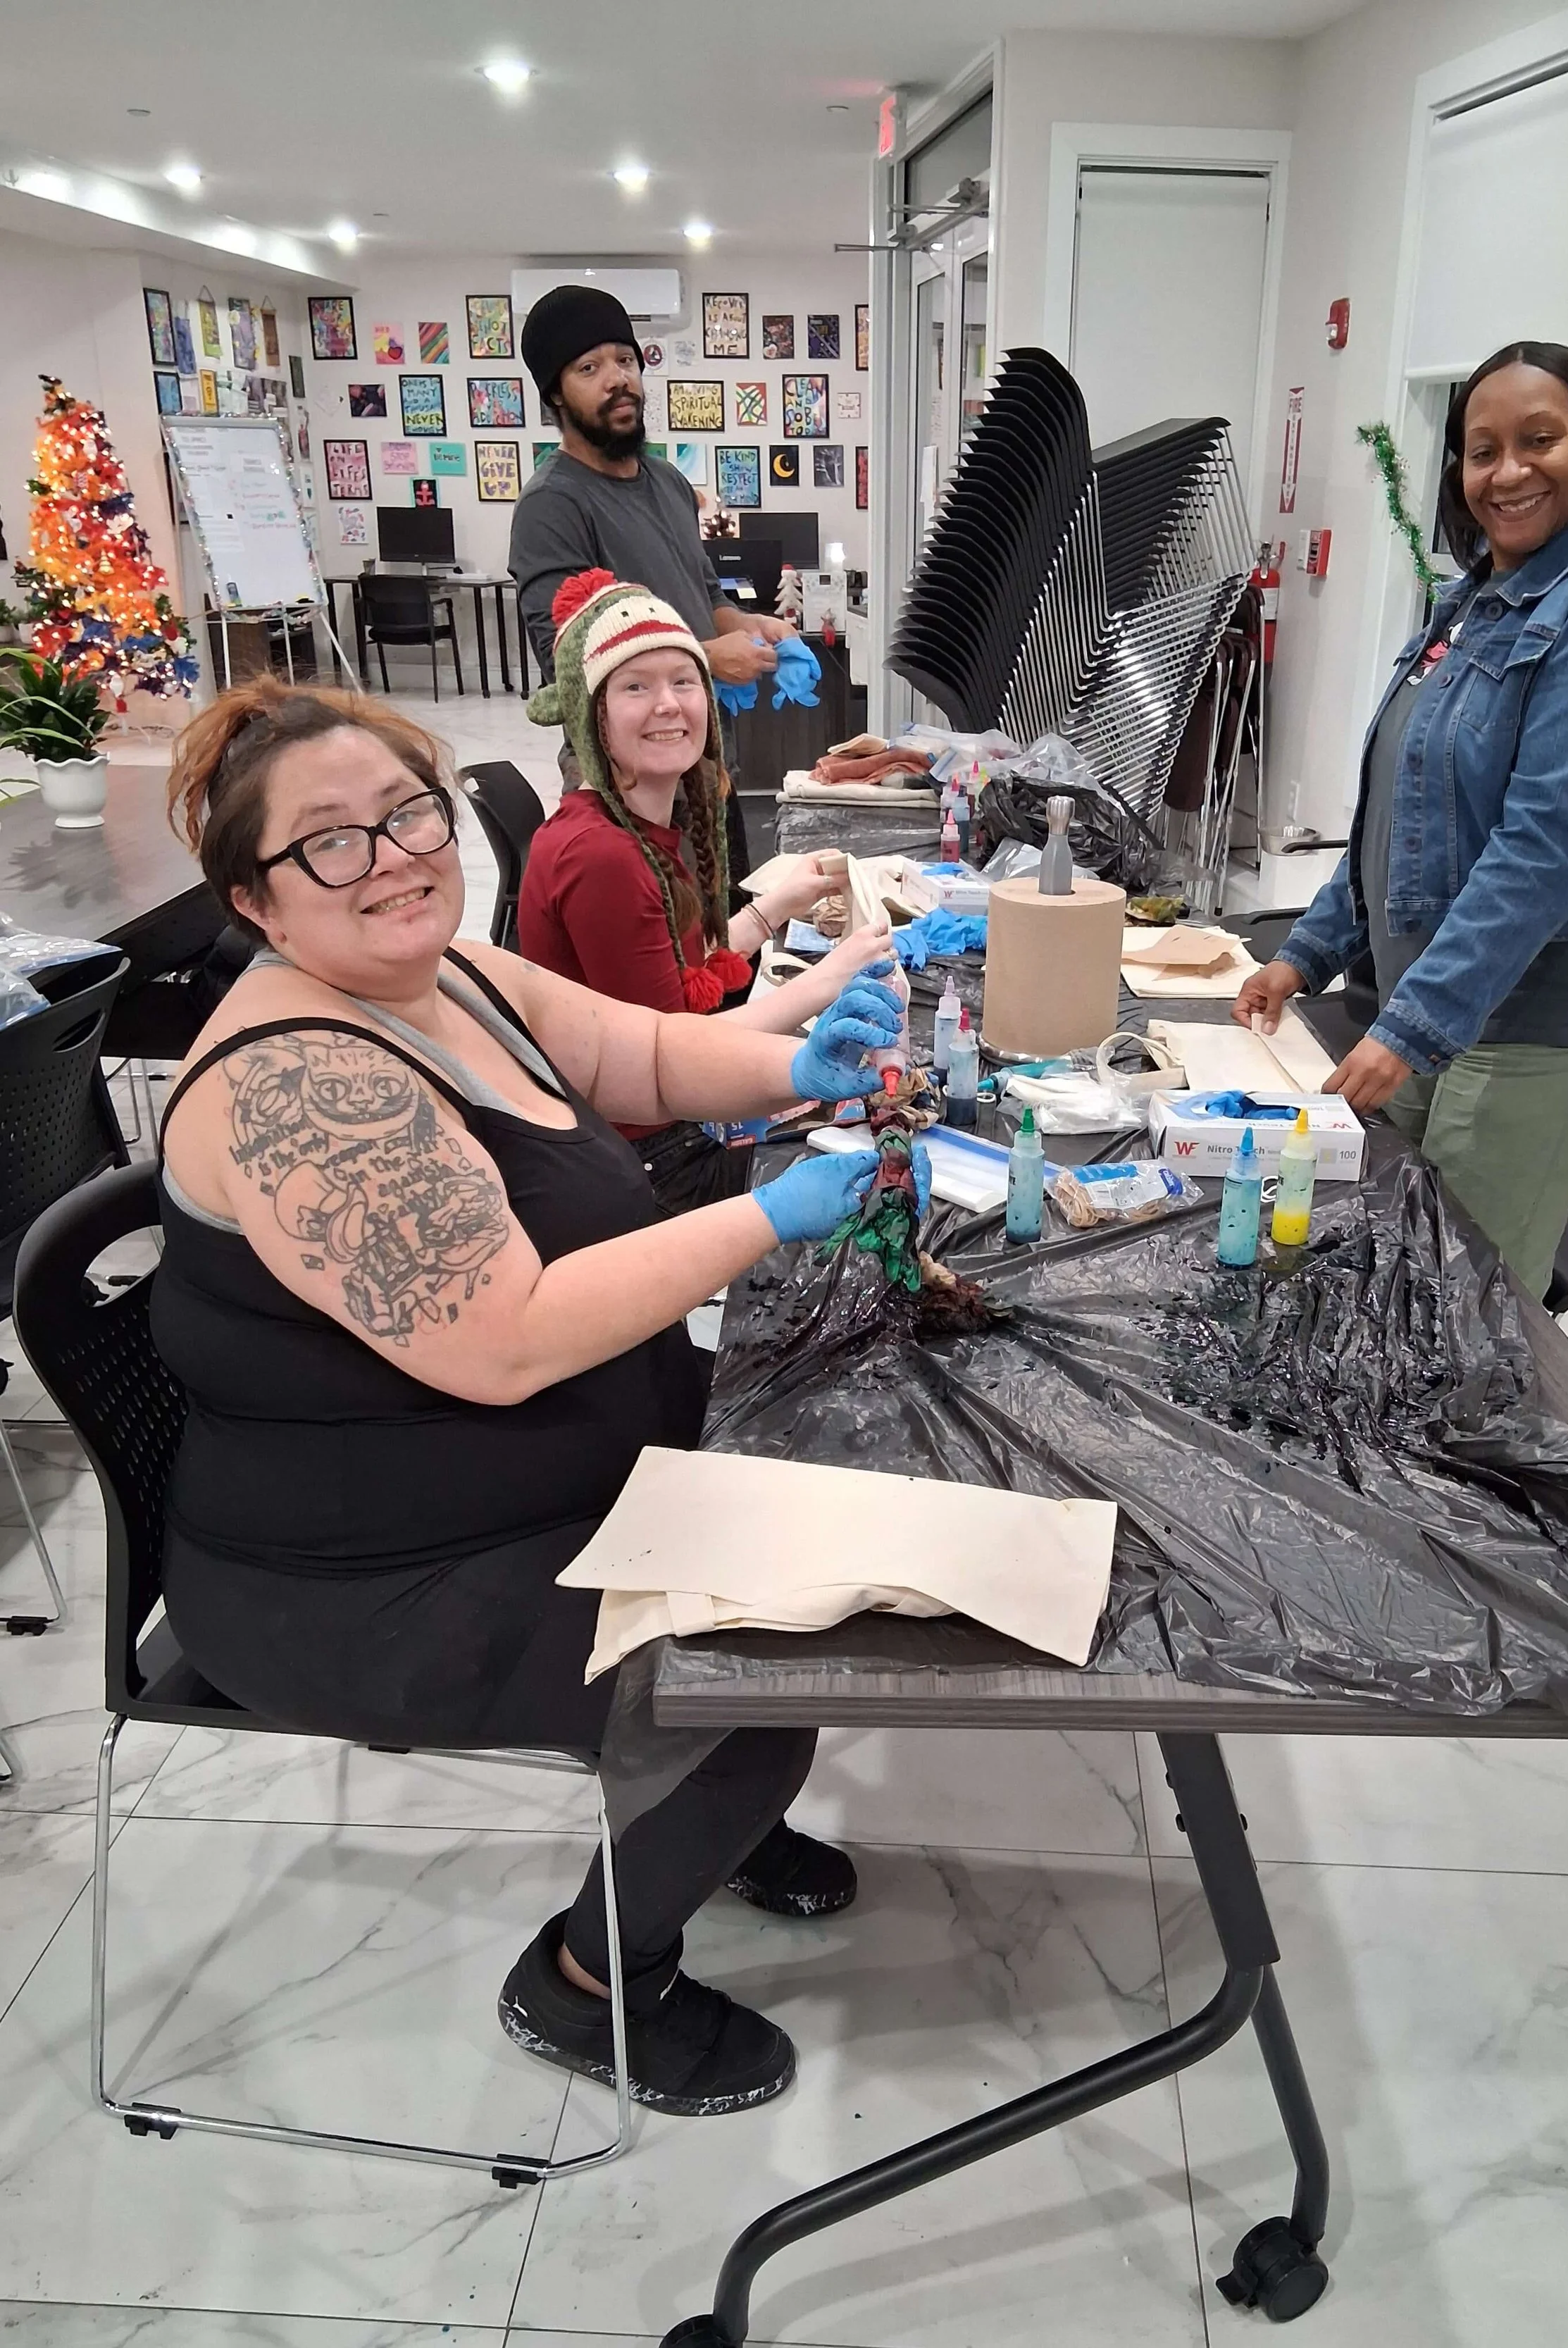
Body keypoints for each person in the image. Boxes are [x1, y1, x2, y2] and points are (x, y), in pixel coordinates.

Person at [151, 678, 926, 2118]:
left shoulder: (447, 974)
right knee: (751, 1680)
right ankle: (586, 1981)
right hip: (364, 1573)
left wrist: (787, 1069)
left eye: (405, 813)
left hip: (521, 1466)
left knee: (826, 1441)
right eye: (328, 841)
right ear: (256, 900)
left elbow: (635, 1054)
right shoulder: (296, 1084)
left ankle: (708, 1822)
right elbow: (501, 1337)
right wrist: (779, 1211)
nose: (388, 856)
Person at [1236, 341, 1568, 1298]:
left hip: (1537, 1010)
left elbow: (1546, 847)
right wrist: (1305, 953)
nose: (1508, 472)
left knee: (1463, 1294)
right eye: (1483, 450)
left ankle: (1462, 1451)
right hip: (1433, 997)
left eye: (1540, 440)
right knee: (1386, 1257)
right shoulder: (1475, 598)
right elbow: (1401, 823)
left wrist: (1414, 1026)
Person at [518, 568, 888, 1211]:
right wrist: (827, 980)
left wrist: (780, 904)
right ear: (592, 714)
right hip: (638, 1160)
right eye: (636, 685)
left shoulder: (633, 825)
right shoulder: (602, 857)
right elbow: (678, 1059)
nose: (668, 704)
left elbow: (683, 977)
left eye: (684, 681)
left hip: (646, 1128)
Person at [510, 285, 788, 816]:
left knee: (723, 901)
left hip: (705, 756)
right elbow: (568, 664)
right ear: (557, 395)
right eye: (589, 369)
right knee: (646, 902)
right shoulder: (552, 506)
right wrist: (705, 660)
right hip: (625, 778)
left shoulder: (669, 482)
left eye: (625, 360)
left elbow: (705, 597)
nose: (618, 379)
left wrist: (749, 625)